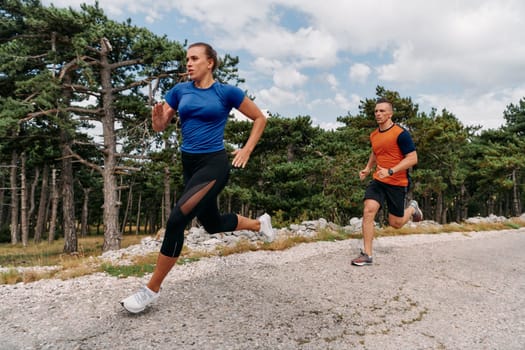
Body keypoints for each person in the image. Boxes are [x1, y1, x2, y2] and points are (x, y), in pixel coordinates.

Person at [121, 42, 274, 313]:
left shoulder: (226, 92)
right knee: (212, 224)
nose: (188, 64)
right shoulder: (179, 91)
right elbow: (160, 125)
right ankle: (258, 225)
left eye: (194, 59)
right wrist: (157, 121)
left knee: (177, 218)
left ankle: (150, 290)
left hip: (214, 164)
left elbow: (259, 118)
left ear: (210, 62)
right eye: (186, 59)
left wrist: (247, 149)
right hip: (189, 165)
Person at [351, 97, 423, 266]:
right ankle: (367, 255)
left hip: (397, 182)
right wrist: (368, 168)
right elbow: (376, 152)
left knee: (395, 223)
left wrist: (391, 170)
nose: (378, 113)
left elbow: (413, 158)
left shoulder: (401, 134)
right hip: (378, 180)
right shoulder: (374, 135)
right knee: (369, 210)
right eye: (376, 111)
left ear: (390, 113)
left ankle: (412, 208)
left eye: (382, 111)